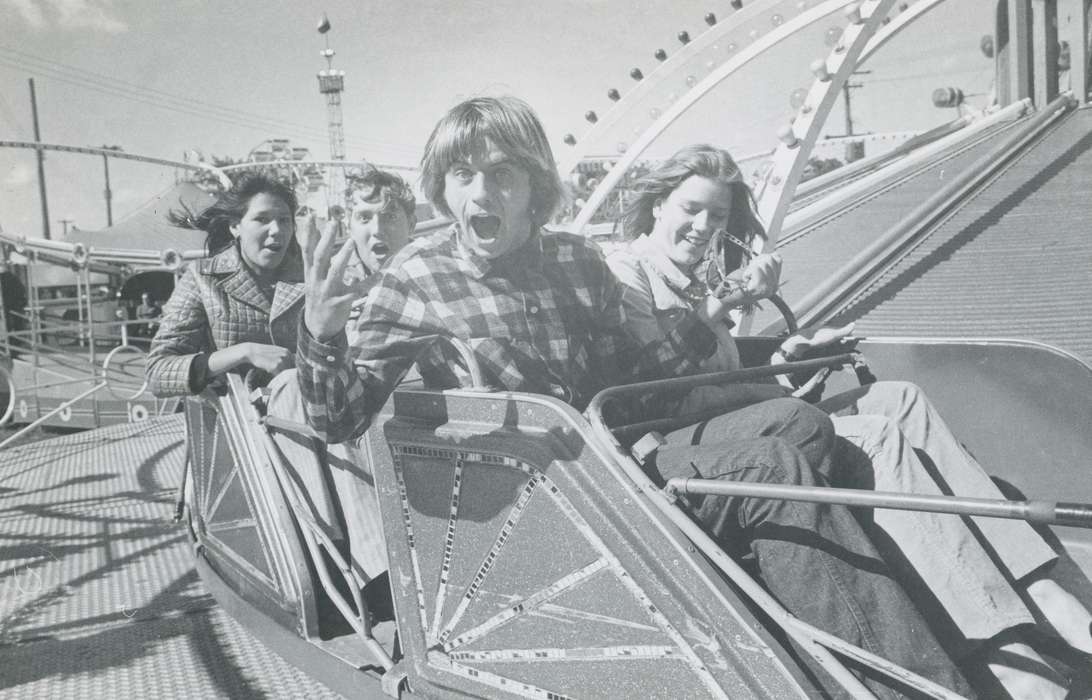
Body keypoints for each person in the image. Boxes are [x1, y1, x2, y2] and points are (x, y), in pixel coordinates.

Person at [297, 95, 972, 698]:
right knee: (771, 470)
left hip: (617, 453)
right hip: (542, 498)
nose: (480, 193)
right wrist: (321, 334)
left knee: (799, 423)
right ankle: (904, 685)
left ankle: (803, 626)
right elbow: (337, 420)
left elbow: (639, 370)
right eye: (461, 176)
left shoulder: (576, 260)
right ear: (440, 190)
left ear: (534, 184)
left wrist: (734, 319)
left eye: (501, 172)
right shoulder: (416, 275)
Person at [607, 143, 1092, 698]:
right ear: (656, 205)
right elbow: (656, 385)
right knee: (879, 439)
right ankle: (996, 648)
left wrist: (789, 360)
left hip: (748, 418)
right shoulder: (627, 271)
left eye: (717, 216)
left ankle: (1040, 589)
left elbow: (722, 377)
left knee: (899, 399)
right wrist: (724, 302)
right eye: (691, 209)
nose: (703, 226)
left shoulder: (695, 277)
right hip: (689, 442)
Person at [261, 165, 420, 590]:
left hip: (420, 414)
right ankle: (365, 567)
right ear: (349, 228)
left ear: (412, 224)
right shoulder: (329, 293)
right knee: (316, 396)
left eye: (390, 217)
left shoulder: (428, 280)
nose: (377, 230)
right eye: (364, 218)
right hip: (358, 416)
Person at [146, 173, 301, 397]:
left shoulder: (311, 278)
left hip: (306, 418)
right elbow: (157, 372)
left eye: (284, 220)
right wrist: (244, 352)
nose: (276, 230)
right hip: (236, 425)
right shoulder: (203, 277)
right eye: (262, 219)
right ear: (235, 226)